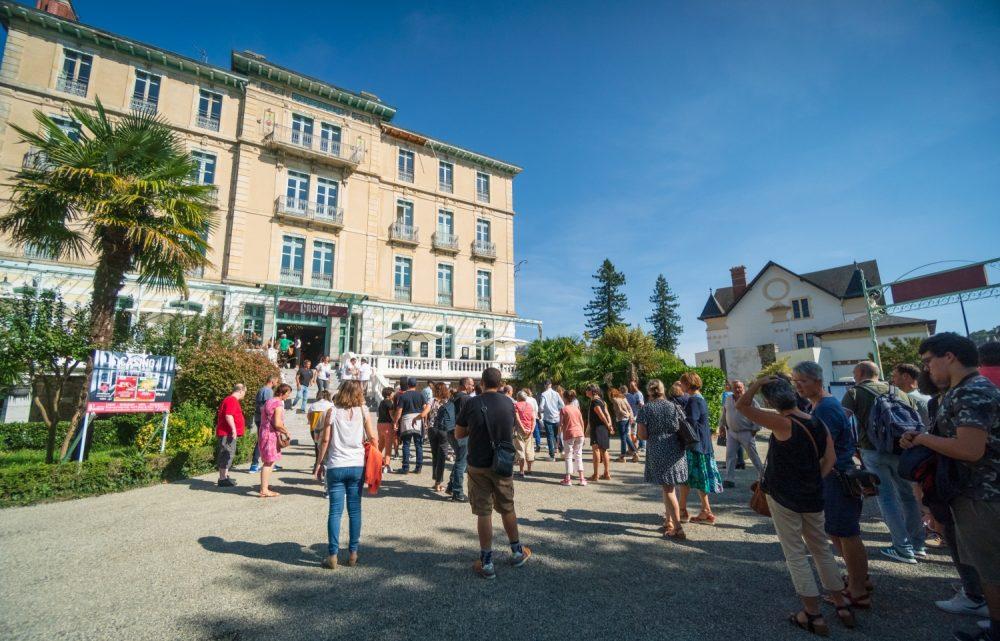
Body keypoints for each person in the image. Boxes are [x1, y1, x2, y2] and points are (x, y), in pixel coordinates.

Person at [737, 376, 856, 633]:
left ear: (770, 402)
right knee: (821, 549)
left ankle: (812, 613)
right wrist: (814, 479)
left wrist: (756, 384)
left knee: (795, 553)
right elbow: (830, 458)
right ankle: (841, 604)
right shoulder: (817, 422)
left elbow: (743, 406)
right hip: (812, 495)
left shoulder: (782, 422)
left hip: (784, 496)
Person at [901, 333, 1000, 641]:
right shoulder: (963, 391)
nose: (927, 370)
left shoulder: (973, 391)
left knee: (992, 568)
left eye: (929, 361)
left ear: (950, 357)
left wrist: (923, 439)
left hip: (985, 493)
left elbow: (970, 449)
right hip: (973, 491)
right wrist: (921, 436)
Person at [792, 361, 871, 608]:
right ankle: (858, 579)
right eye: (795, 382)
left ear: (817, 380)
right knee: (838, 531)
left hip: (836, 477)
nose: (798, 387)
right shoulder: (821, 404)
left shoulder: (826, 408)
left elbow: (822, 447)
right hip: (835, 476)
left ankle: (858, 590)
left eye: (802, 381)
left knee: (846, 532)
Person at [842, 360, 925, 563]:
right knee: (908, 497)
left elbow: (843, 420)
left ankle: (902, 548)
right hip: (901, 449)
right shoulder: (899, 392)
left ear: (861, 373)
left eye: (855, 373)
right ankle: (918, 544)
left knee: (886, 498)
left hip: (872, 450)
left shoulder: (855, 392)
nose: (854, 377)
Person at [455, 367, 531, 579]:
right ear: (500, 383)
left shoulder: (472, 403)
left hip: (478, 463)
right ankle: (516, 551)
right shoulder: (509, 403)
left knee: (484, 512)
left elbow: (459, 433)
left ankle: (487, 561)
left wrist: (475, 429)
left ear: (482, 382)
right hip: (503, 463)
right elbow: (514, 428)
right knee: (507, 507)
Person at [314, 380, 378, 570]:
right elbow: (372, 437)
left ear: (341, 391)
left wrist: (318, 463)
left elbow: (325, 440)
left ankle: (333, 555)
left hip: (336, 464)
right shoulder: (363, 411)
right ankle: (353, 553)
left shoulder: (332, 411)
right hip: (356, 464)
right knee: (355, 510)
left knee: (335, 511)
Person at [637, 379, 689, 539]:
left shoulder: (646, 409)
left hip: (659, 449)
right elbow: (683, 425)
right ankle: (669, 521)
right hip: (675, 448)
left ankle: (678, 528)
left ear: (649, 391)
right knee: (670, 487)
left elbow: (643, 435)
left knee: (668, 489)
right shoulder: (674, 406)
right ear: (662, 389)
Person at [678, 372, 722, 524]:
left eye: (682, 383)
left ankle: (683, 511)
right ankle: (705, 511)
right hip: (702, 444)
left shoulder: (693, 401)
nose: (681, 386)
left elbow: (690, 422)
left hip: (695, 445)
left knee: (685, 477)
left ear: (688, 384)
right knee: (698, 478)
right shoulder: (699, 398)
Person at [718, 380, 764, 488]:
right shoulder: (728, 399)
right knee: (730, 456)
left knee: (753, 455)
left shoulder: (750, 400)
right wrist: (722, 425)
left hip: (746, 432)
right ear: (731, 389)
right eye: (735, 388)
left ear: (743, 388)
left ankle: (763, 476)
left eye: (739, 387)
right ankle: (729, 479)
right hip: (731, 432)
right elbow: (724, 412)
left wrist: (755, 429)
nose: (737, 389)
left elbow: (758, 414)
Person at [258, 383, 293, 497]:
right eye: (288, 393)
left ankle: (265, 485)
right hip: (271, 435)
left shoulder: (269, 401)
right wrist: (286, 432)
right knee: (268, 462)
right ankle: (264, 490)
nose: (288, 396)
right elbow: (277, 423)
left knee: (269, 461)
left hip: (264, 432)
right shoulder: (278, 404)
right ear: (282, 393)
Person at [447, 377, 474, 502]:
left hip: (451, 431)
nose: (473, 387)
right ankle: (457, 493)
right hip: (461, 433)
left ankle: (451, 487)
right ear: (464, 385)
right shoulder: (466, 399)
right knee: (462, 462)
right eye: (471, 385)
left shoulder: (454, 397)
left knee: (459, 459)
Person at [394, 376, 429, 473]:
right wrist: (425, 421)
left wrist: (396, 422)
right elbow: (425, 409)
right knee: (418, 445)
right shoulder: (420, 395)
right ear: (416, 385)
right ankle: (418, 467)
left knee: (406, 444)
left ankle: (405, 467)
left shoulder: (403, 396)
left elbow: (399, 411)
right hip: (418, 419)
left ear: (408, 385)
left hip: (406, 419)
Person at [215, 384, 246, 487]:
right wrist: (234, 429)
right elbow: (228, 415)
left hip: (227, 432)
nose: (244, 395)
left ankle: (225, 476)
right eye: (244, 392)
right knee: (227, 453)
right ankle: (222, 478)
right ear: (241, 391)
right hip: (227, 433)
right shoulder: (232, 400)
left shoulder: (230, 399)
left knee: (229, 453)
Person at [249, 375, 278, 474]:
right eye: (276, 381)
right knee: (263, 440)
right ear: (272, 381)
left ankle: (270, 461)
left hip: (258, 418)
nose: (277, 384)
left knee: (263, 440)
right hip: (263, 419)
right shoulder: (268, 391)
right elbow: (268, 407)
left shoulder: (262, 389)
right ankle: (255, 464)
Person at [429, 382, 455, 493]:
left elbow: (425, 412)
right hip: (444, 429)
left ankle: (436, 481)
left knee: (435, 456)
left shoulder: (432, 400)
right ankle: (438, 483)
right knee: (442, 457)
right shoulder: (448, 402)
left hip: (432, 429)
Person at [585, 384, 614, 481]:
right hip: (603, 428)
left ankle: (596, 475)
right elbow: (607, 414)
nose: (586, 391)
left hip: (597, 428)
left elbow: (600, 414)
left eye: (588, 389)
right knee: (604, 450)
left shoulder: (594, 401)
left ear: (593, 391)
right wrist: (609, 425)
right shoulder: (603, 401)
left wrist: (608, 424)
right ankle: (607, 473)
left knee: (596, 450)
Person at [559, 389, 587, 486]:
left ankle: (568, 478)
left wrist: (559, 437)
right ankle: (582, 478)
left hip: (569, 434)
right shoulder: (577, 409)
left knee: (568, 456)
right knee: (578, 455)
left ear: (565, 398)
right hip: (579, 433)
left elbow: (561, 425)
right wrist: (583, 434)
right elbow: (582, 422)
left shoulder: (563, 409)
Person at [894, 362, 932, 427]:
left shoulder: (906, 398)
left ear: (905, 376)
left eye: (895, 376)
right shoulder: (926, 395)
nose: (893, 379)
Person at [610, 386, 639, 463]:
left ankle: (622, 456)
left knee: (623, 438)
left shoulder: (614, 400)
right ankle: (635, 452)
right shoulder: (623, 398)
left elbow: (619, 410)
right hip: (627, 419)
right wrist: (630, 416)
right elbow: (629, 408)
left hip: (621, 420)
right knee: (626, 437)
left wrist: (626, 414)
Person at [539, 380, 564, 460]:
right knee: (557, 435)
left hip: (548, 418)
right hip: (557, 417)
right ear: (551, 385)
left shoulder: (543, 394)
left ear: (545, 385)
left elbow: (541, 407)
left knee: (550, 437)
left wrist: (542, 411)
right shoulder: (556, 394)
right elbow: (562, 405)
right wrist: (557, 410)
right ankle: (561, 451)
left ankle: (552, 456)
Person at [513, 390, 536, 476]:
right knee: (529, 450)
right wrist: (532, 429)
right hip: (529, 430)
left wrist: (522, 428)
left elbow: (517, 418)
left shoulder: (516, 405)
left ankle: (521, 471)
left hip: (519, 430)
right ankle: (529, 469)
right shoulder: (530, 406)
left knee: (520, 450)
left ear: (518, 397)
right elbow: (533, 418)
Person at [307, 390, 334, 458]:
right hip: (326, 428)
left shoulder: (313, 405)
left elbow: (309, 418)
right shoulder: (331, 405)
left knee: (317, 447)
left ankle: (317, 463)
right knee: (327, 447)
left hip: (314, 429)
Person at [376, 388, 396, 474]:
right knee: (388, 446)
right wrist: (395, 422)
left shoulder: (382, 402)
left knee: (381, 445)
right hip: (387, 425)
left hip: (380, 424)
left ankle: (376, 462)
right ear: (389, 394)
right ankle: (386, 465)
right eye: (392, 393)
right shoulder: (389, 403)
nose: (393, 395)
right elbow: (392, 415)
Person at [626, 379, 646, 453]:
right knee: (637, 431)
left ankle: (643, 446)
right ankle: (640, 446)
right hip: (634, 414)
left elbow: (641, 404)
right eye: (630, 386)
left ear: (636, 385)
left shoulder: (638, 394)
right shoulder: (633, 394)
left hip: (639, 414)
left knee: (640, 429)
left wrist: (637, 403)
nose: (631, 387)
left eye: (632, 386)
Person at [525, 388, 542, 453]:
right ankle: (538, 444)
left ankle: (529, 445)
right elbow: (536, 409)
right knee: (536, 431)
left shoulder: (524, 399)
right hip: (534, 416)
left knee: (528, 431)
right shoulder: (533, 399)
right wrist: (537, 415)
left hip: (527, 417)